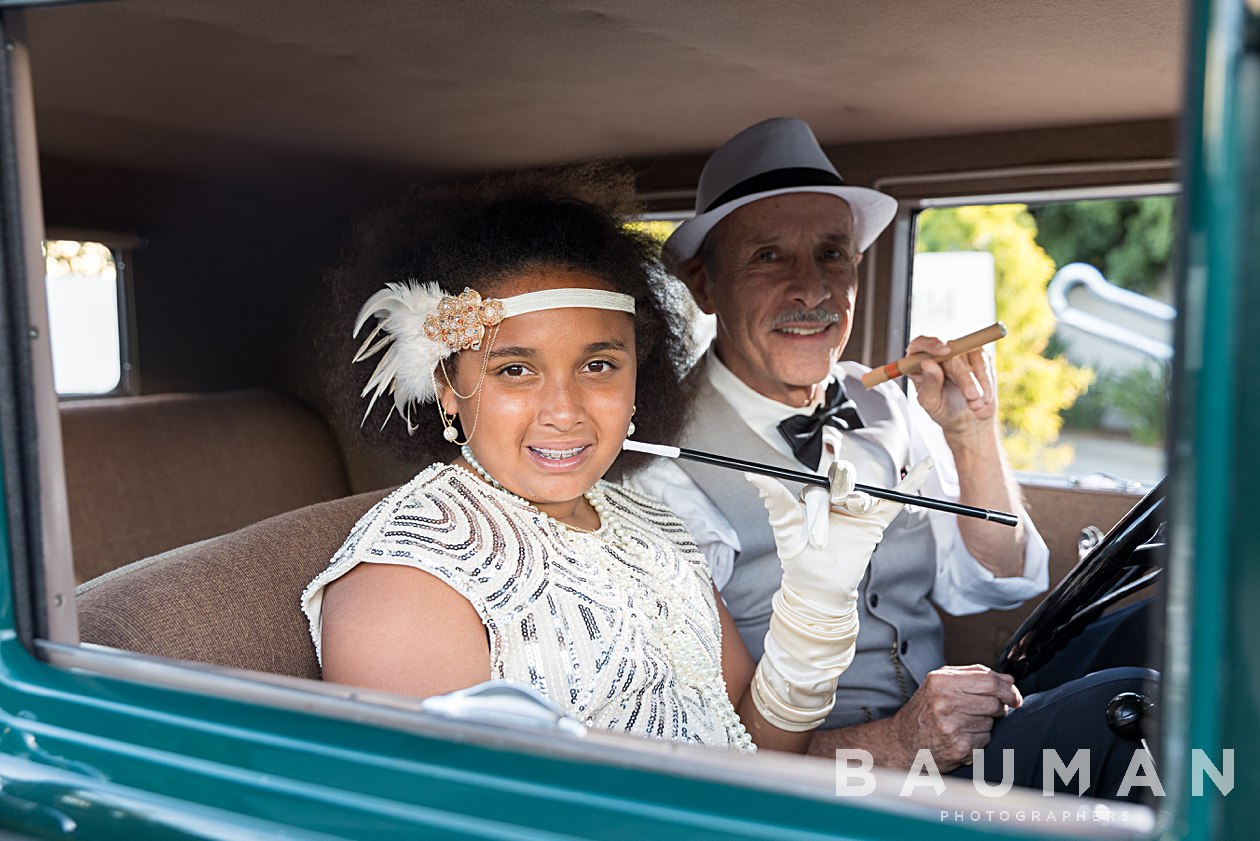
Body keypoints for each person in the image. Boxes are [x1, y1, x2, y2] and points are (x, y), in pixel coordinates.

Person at [301, 174, 929, 755]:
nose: (565, 411)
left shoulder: (656, 524)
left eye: (598, 365)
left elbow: (751, 750)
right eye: (515, 370)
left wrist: (811, 625)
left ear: (638, 374)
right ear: (446, 384)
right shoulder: (408, 577)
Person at [630, 118, 1152, 796]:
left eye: (832, 254)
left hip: (960, 736)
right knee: (1125, 711)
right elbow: (703, 734)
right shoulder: (664, 460)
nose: (813, 290)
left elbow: (995, 580)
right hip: (834, 777)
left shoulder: (884, 404)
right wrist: (901, 740)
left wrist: (970, 433)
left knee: (1162, 630)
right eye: (769, 257)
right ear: (704, 284)